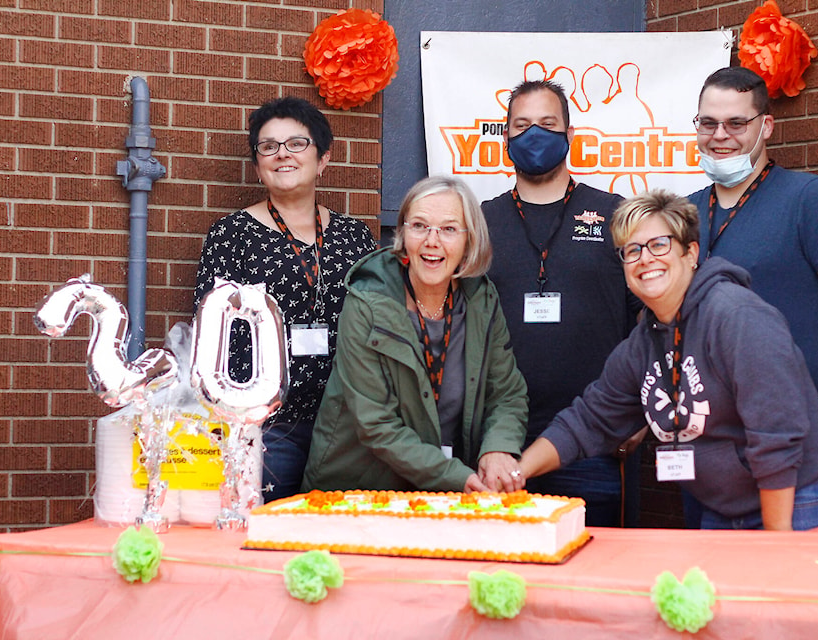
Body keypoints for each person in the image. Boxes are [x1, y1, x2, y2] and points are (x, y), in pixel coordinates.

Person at [516, 190, 818, 531]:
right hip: (723, 509)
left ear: (690, 253)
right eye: (631, 251)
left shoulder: (737, 316)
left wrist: (775, 542)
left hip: (797, 501)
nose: (645, 259)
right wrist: (517, 471)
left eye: (659, 244)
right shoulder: (643, 343)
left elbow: (776, 434)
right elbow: (589, 420)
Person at [195, 96, 376, 502]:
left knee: (339, 538)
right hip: (266, 427)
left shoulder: (355, 236)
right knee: (269, 538)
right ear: (258, 164)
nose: (282, 155)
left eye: (296, 143)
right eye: (268, 146)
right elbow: (211, 339)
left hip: (345, 424)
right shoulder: (230, 236)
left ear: (323, 157)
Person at [481, 79, 642, 527]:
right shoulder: (479, 221)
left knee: (599, 581)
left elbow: (652, 322)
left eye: (548, 124)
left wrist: (641, 417)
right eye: (522, 125)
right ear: (506, 137)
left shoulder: (615, 215)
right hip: (500, 442)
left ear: (570, 136)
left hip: (598, 442)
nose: (534, 134)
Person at [301, 176, 527, 493]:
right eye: (419, 226)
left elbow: (506, 394)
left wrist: (498, 448)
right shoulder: (366, 302)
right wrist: (456, 477)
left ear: (469, 241)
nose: (432, 241)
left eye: (449, 229)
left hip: (447, 491)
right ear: (404, 234)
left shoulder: (481, 300)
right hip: (358, 492)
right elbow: (376, 424)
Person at [690, 66, 818, 395]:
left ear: (766, 126)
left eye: (736, 123)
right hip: (700, 425)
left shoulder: (808, 199)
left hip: (778, 425)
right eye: (708, 123)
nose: (720, 135)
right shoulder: (683, 213)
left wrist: (809, 384)